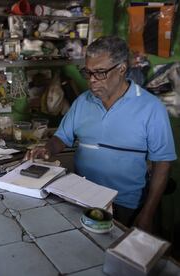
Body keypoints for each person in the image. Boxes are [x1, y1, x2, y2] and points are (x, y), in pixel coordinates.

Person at [26, 36, 176, 232]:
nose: (92, 81)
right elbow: (62, 137)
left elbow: (163, 164)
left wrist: (147, 213)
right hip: (80, 196)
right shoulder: (83, 102)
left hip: (123, 204)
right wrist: (46, 149)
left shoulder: (150, 108)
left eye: (100, 73)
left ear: (122, 69)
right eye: (88, 73)